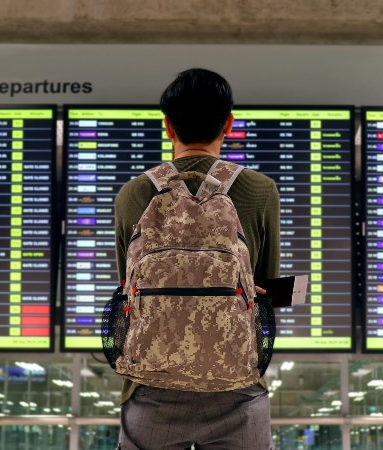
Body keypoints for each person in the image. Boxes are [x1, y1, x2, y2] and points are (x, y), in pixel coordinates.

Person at [113, 68, 280, 449]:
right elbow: (267, 287)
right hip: (238, 383)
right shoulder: (260, 190)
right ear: (229, 123)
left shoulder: (132, 194)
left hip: (150, 384)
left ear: (168, 127)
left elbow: (128, 288)